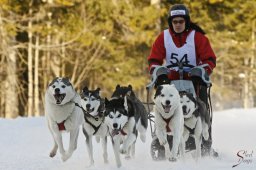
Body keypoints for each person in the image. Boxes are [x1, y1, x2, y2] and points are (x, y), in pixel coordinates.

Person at [147, 4, 217, 157]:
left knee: (202, 105)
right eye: (175, 22)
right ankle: (161, 139)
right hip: (169, 81)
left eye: (181, 21)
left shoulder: (197, 37)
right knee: (162, 104)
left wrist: (202, 71)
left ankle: (205, 140)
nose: (178, 24)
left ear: (186, 21)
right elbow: (153, 61)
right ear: (170, 22)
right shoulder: (163, 37)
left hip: (194, 79)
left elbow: (210, 59)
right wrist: (160, 73)